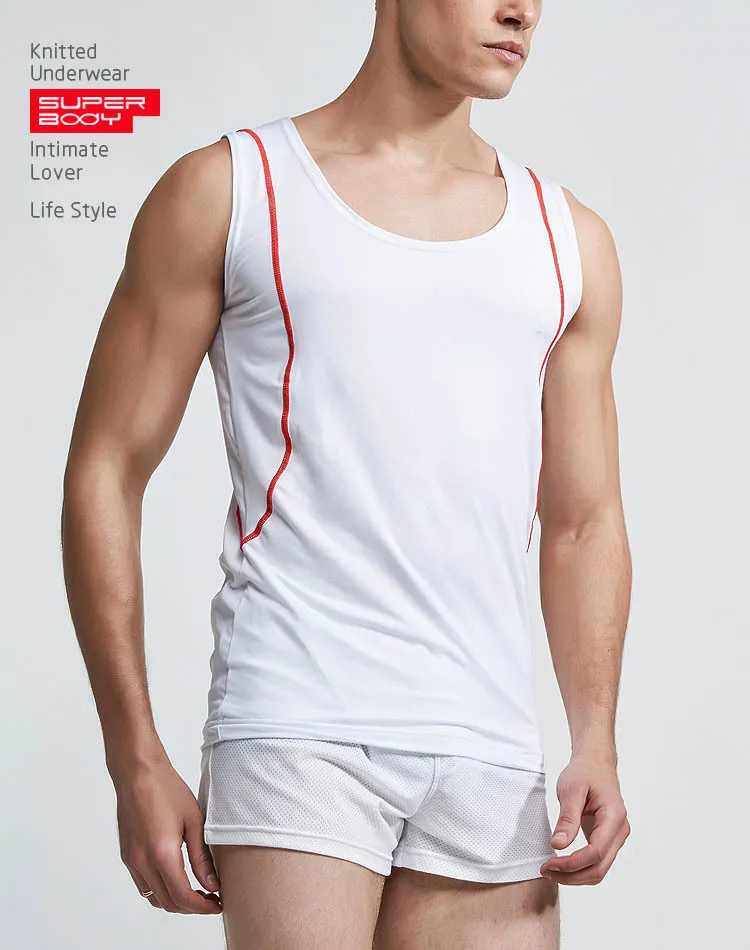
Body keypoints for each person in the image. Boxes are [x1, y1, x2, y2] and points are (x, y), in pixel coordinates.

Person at [61, 1, 632, 947]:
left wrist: (596, 735)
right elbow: (105, 470)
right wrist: (135, 756)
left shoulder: (567, 238)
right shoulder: (235, 190)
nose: (522, 9)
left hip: (488, 742)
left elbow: (583, 520)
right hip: (297, 720)